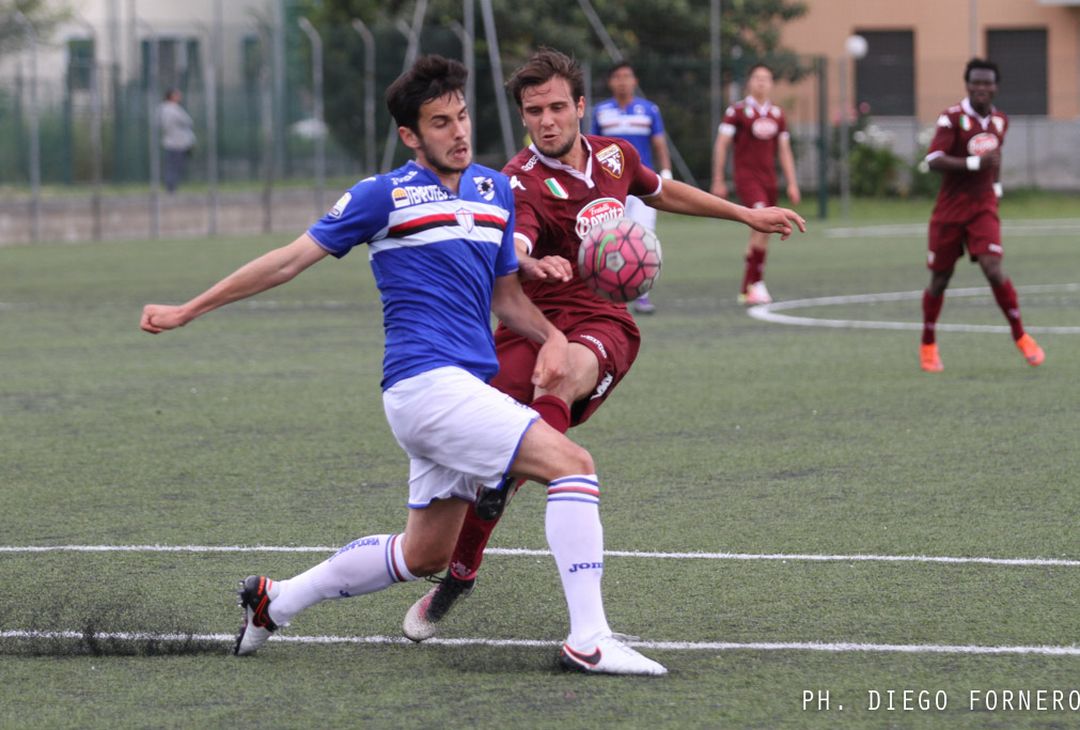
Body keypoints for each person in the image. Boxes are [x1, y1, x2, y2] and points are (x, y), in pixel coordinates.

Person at [140, 55, 667, 676]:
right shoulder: (381, 195)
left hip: (465, 389)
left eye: (463, 116)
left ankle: (275, 601)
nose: (459, 132)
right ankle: (590, 638)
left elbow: (505, 301)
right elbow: (286, 261)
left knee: (422, 554)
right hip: (424, 385)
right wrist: (189, 310)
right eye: (440, 122)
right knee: (572, 465)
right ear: (411, 136)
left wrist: (551, 335)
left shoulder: (494, 190)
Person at [402, 48, 805, 644]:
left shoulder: (616, 156)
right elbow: (512, 245)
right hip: (529, 326)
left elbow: (663, 191)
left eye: (558, 107)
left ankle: (524, 504)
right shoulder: (519, 183)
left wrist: (746, 213)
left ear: (581, 107)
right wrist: (529, 258)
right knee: (472, 478)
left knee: (556, 380)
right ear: (523, 116)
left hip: (602, 326)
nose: (547, 120)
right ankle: (458, 570)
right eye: (534, 111)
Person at [919, 58, 1044, 372]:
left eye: (987, 83)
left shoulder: (1001, 120)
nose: (982, 88)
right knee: (940, 279)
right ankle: (928, 344)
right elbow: (933, 159)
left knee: (993, 268)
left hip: (983, 206)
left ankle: (1021, 336)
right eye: (976, 82)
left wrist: (997, 186)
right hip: (950, 209)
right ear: (967, 84)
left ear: (995, 86)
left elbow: (995, 157)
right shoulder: (952, 118)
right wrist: (974, 165)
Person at [711, 64, 800, 305]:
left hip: (769, 180)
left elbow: (784, 150)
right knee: (762, 226)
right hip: (747, 179)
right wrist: (719, 178)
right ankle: (751, 286)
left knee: (763, 233)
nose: (761, 82)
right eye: (757, 78)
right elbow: (722, 144)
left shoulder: (777, 114)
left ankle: (751, 284)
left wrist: (792, 182)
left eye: (766, 78)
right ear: (750, 82)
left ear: (771, 84)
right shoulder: (737, 111)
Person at [590, 61, 672, 314]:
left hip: (642, 185)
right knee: (608, 236)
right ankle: (608, 292)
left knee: (644, 235)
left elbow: (659, 143)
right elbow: (593, 146)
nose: (622, 81)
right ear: (610, 82)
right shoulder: (601, 111)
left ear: (634, 81)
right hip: (611, 185)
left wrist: (666, 172)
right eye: (617, 77)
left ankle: (642, 294)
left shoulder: (649, 110)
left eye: (627, 76)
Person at [159, 88, 196, 193]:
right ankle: (171, 187)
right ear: (171, 96)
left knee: (171, 165)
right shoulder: (173, 109)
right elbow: (188, 121)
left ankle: (171, 187)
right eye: (177, 94)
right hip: (178, 143)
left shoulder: (162, 109)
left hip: (171, 142)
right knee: (175, 166)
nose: (179, 96)